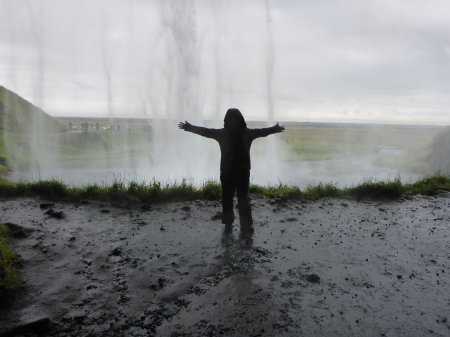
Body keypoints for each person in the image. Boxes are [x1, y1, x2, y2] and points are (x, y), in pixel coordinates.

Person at [178, 108, 284, 232]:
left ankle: (229, 223)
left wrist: (189, 127)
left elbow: (205, 132)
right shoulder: (246, 133)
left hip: (228, 172)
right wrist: (275, 129)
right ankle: (245, 224)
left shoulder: (223, 134)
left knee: (228, 198)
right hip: (242, 172)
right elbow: (263, 132)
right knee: (242, 198)